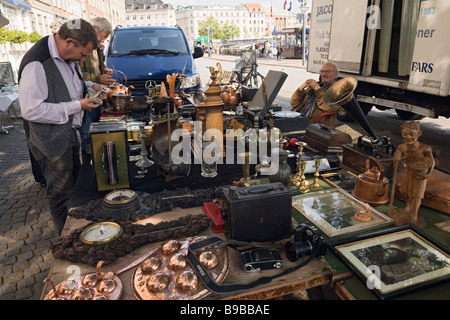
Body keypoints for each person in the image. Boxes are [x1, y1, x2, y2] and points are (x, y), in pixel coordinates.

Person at [18, 19, 105, 235]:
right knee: (60, 194)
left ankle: (78, 230)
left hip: (68, 133)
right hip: (50, 140)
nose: (83, 59)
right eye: (83, 54)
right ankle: (66, 239)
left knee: (75, 187)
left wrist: (91, 85)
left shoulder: (66, 55)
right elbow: (30, 110)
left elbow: (73, 82)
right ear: (69, 42)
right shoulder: (37, 63)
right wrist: (78, 105)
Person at [78, 17, 115, 157]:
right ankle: (86, 162)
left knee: (95, 130)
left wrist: (105, 70)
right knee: (86, 133)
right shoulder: (82, 46)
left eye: (104, 38)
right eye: (102, 36)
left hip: (96, 96)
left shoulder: (97, 48)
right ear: (94, 28)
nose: (102, 40)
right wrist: (98, 79)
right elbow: (78, 75)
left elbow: (99, 67)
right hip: (85, 97)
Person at [390, 121, 435, 229]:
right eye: (405, 134)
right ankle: (408, 207)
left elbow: (432, 162)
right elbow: (396, 160)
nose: (408, 137)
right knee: (405, 191)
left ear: (419, 133)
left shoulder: (425, 148)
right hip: (409, 171)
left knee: (417, 194)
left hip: (421, 174)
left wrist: (428, 173)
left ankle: (414, 215)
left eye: (412, 135)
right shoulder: (401, 147)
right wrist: (396, 158)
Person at [290, 62, 342, 127]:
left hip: (314, 124)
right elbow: (294, 103)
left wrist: (317, 89)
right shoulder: (316, 86)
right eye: (322, 71)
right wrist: (301, 88)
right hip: (299, 117)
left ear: (336, 74)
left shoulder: (337, 90)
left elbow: (327, 107)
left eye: (327, 71)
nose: (323, 74)